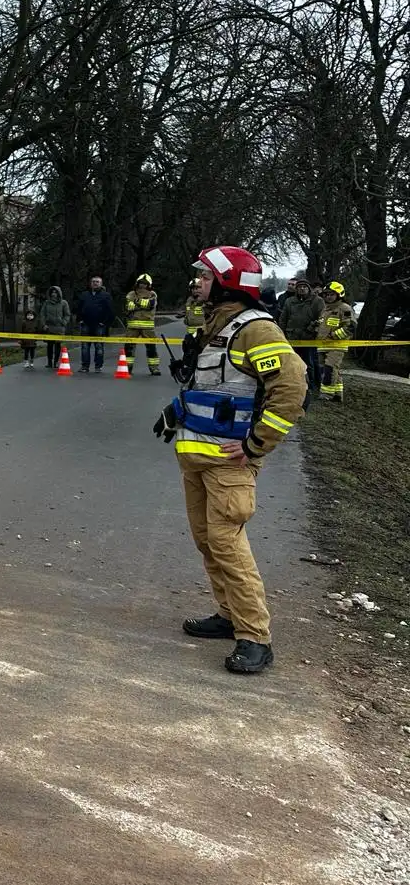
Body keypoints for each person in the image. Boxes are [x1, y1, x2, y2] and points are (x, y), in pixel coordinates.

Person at [153, 246, 306, 675]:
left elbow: (292, 388)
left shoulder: (256, 330)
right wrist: (176, 411)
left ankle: (255, 636)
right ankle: (229, 614)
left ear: (227, 283)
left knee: (227, 545)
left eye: (205, 277)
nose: (197, 283)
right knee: (208, 541)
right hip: (198, 457)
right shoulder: (215, 324)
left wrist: (257, 444)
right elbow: (216, 388)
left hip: (230, 463)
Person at [277, 277, 322, 397]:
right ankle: (291, 384)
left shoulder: (317, 301)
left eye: (304, 287)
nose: (302, 289)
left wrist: (312, 329)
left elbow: (322, 318)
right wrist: (281, 333)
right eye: (299, 287)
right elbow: (283, 318)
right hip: (291, 337)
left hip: (309, 338)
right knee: (291, 362)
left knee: (309, 363)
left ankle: (310, 385)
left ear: (309, 288)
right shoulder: (289, 301)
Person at [312, 281, 357, 402]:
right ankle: (337, 393)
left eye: (331, 294)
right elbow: (322, 325)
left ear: (339, 294)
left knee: (330, 369)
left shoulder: (345, 308)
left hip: (337, 346)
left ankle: (327, 394)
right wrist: (315, 328)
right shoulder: (325, 309)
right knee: (328, 370)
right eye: (326, 294)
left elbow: (351, 327)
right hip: (322, 345)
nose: (328, 297)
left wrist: (334, 335)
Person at [72, 275, 114, 373]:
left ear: (101, 284)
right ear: (90, 283)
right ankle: (85, 366)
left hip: (99, 325)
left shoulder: (106, 295)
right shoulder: (84, 295)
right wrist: (79, 319)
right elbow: (79, 308)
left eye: (97, 282)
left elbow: (110, 311)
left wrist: (105, 323)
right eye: (93, 281)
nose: (95, 283)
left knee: (99, 346)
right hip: (86, 324)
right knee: (85, 346)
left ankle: (98, 366)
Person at [123, 273, 162, 377]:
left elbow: (150, 305)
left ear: (149, 285)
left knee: (151, 348)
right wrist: (142, 303)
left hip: (148, 327)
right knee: (129, 348)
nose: (142, 285)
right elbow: (128, 306)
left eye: (145, 283)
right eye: (141, 283)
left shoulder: (152, 294)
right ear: (137, 283)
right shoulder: (131, 294)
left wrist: (136, 303)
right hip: (132, 326)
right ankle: (127, 367)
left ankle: (154, 368)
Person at [37, 285, 70, 369]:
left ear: (59, 293)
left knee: (58, 345)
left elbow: (67, 314)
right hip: (49, 327)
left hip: (59, 327)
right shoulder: (46, 303)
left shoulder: (64, 303)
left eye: (55, 292)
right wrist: (44, 324)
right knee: (50, 345)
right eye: (52, 292)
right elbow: (42, 314)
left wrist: (63, 322)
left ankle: (56, 362)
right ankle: (49, 362)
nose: (53, 294)